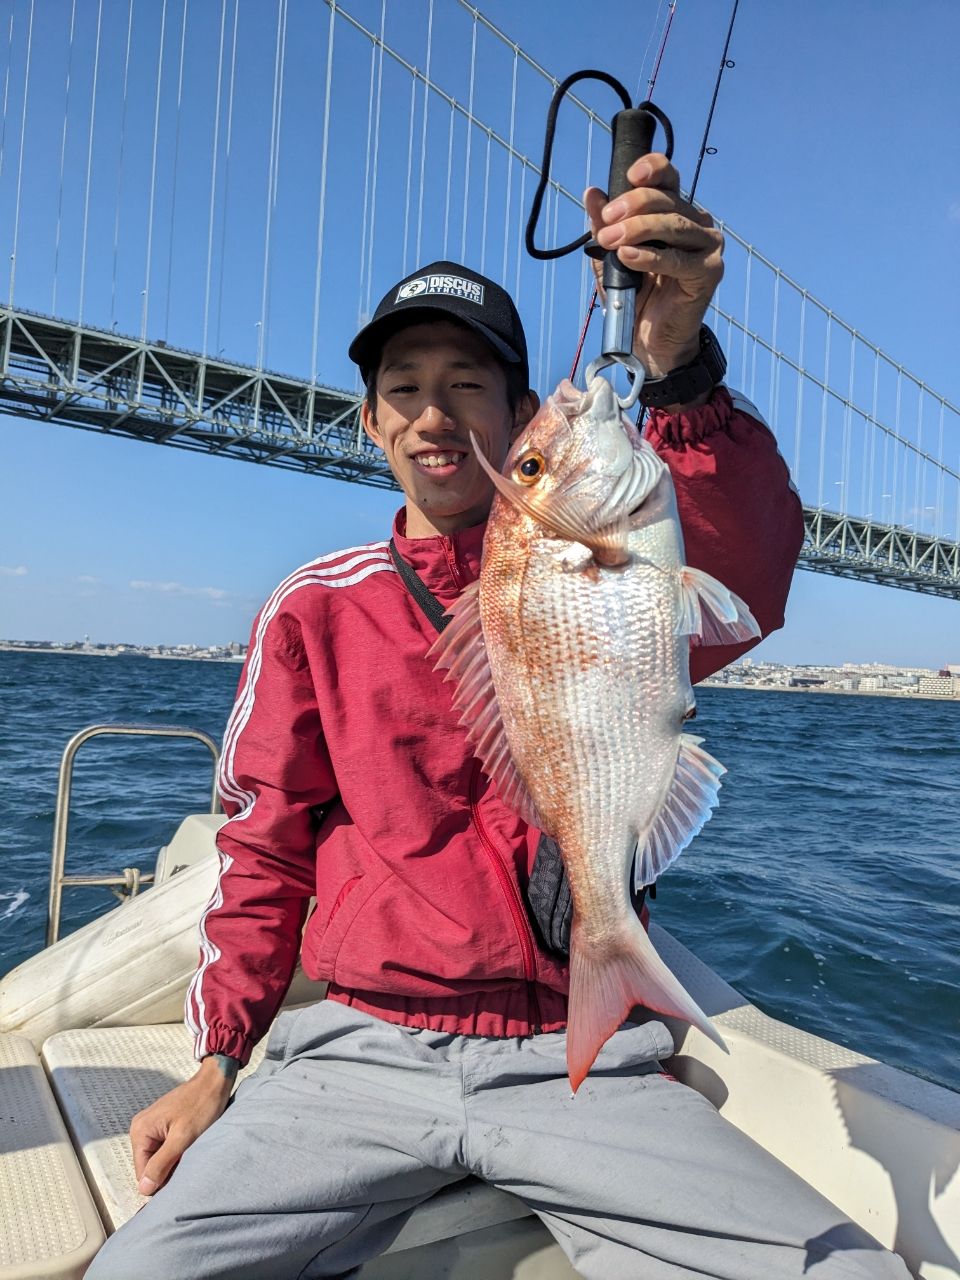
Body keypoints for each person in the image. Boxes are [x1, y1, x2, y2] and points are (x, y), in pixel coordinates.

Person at [88, 157, 909, 1279]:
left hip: (575, 1050)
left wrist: (674, 364)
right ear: (371, 420)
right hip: (358, 1047)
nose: (434, 411)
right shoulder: (316, 608)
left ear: (520, 412)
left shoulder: (613, 560)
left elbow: (750, 571)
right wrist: (218, 1056)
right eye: (406, 385)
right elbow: (263, 841)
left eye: (469, 383)